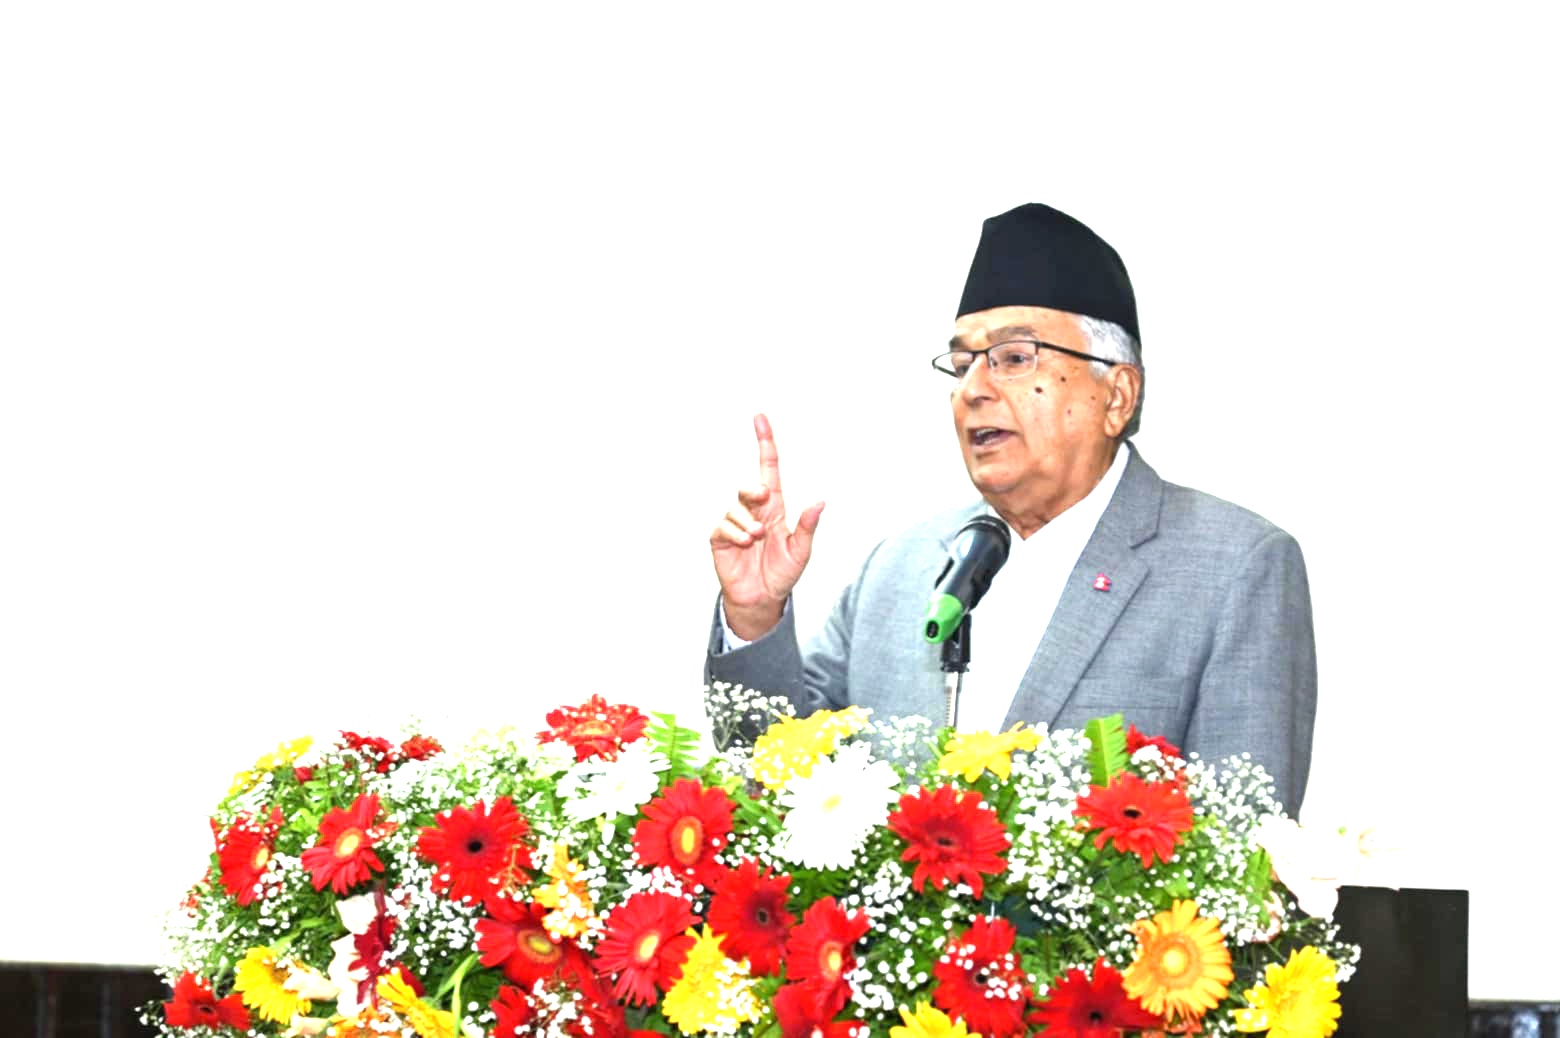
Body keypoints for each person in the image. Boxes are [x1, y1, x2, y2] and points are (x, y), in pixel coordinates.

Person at [703, 202, 1317, 812]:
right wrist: (754, 616)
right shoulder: (899, 567)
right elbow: (774, 783)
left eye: (1015, 359)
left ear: (1117, 396)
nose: (973, 390)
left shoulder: (1235, 568)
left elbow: (1245, 840)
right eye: (962, 365)